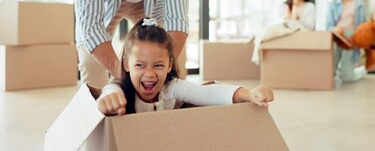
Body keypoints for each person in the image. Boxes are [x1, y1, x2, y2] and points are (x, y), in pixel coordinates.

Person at [97, 18, 274, 115]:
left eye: (158, 65)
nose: (149, 74)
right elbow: (111, 91)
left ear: (169, 65)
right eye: (140, 65)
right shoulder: (120, 88)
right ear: (127, 64)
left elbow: (208, 93)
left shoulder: (172, 88)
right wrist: (110, 99)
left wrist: (248, 94)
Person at [326, 0, 367, 83]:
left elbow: (363, 26)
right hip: (335, 36)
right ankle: (339, 69)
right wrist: (335, 29)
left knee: (347, 77)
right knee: (329, 73)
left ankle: (361, 71)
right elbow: (328, 25)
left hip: (351, 37)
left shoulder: (360, 5)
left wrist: (358, 38)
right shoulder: (332, 5)